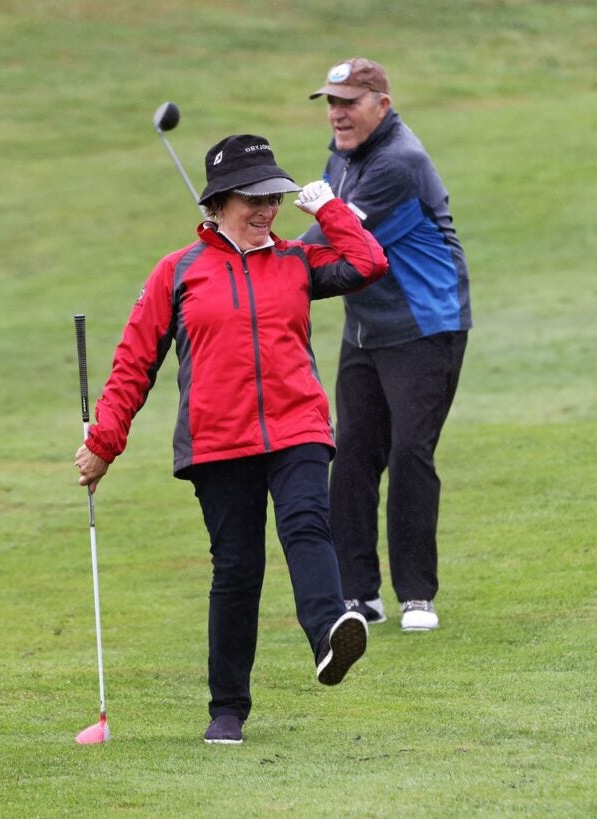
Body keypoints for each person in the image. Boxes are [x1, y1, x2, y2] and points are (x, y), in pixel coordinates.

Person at [74, 134, 388, 745]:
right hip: (218, 442)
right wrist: (105, 442)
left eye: (274, 194)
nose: (268, 207)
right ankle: (227, 710)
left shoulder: (297, 260)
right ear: (219, 202)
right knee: (238, 569)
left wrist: (328, 208)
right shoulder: (179, 271)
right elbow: (134, 363)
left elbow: (369, 263)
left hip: (297, 427)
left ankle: (330, 634)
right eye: (254, 196)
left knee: (307, 523)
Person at [301, 57, 472, 632]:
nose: (337, 113)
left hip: (425, 326)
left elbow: (332, 241)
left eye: (349, 101)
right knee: (351, 455)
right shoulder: (342, 156)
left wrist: (260, 266)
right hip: (366, 328)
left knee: (409, 454)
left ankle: (416, 594)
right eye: (331, 101)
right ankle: (358, 594)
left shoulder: (400, 162)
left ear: (382, 104)